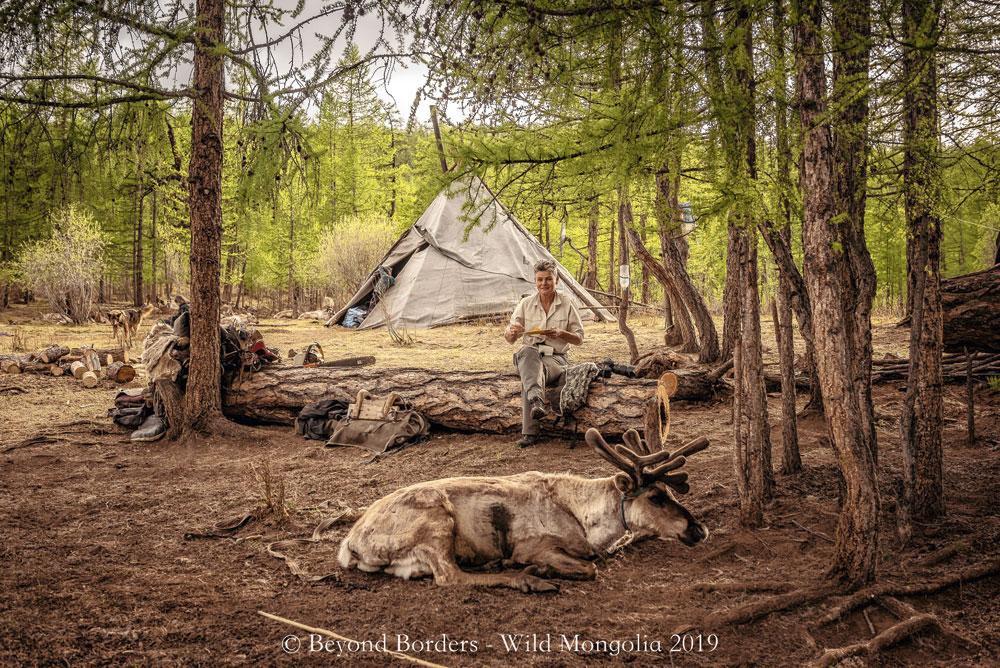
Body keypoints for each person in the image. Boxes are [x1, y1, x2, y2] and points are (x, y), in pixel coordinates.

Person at [504, 259, 585, 447]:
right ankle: (537, 402)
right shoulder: (525, 303)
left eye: (548, 279)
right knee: (527, 353)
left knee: (530, 374)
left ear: (556, 280)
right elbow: (509, 338)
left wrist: (561, 333)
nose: (544, 284)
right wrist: (512, 332)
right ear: (535, 281)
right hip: (529, 355)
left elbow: (579, 339)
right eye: (540, 280)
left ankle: (531, 430)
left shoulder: (567, 303)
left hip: (556, 359)